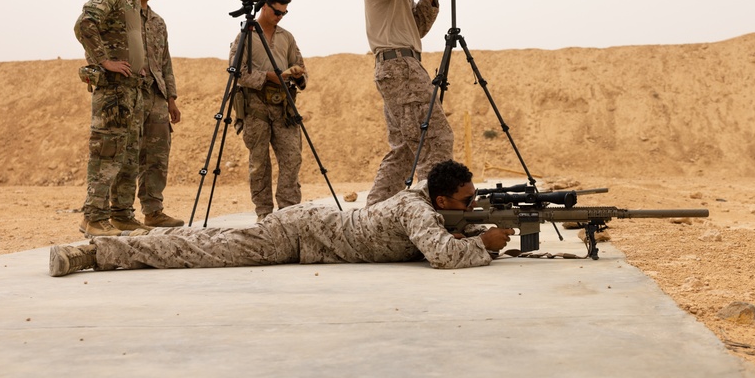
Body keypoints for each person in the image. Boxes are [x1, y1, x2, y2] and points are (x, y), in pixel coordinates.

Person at [49, 160, 515, 276]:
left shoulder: (430, 206)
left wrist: (480, 226)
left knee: (206, 239)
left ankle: (111, 248)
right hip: (298, 235)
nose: (471, 207)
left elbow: (450, 229)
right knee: (200, 250)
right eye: (466, 201)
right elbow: (444, 256)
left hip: (312, 230)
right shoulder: (417, 208)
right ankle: (91, 252)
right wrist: (485, 245)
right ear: (440, 199)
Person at [363, 0, 455, 206]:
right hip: (399, 67)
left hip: (403, 65)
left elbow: (416, 29)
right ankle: (430, 212)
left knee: (404, 150)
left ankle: (374, 214)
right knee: (435, 141)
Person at [74, 0, 150, 237]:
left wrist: (137, 64)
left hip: (132, 89)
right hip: (113, 92)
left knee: (129, 155)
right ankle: (93, 218)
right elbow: (84, 24)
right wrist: (104, 60)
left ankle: (121, 216)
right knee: (107, 155)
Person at [229, 0, 308, 221]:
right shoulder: (245, 36)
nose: (280, 16)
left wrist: (297, 75)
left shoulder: (286, 37)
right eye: (276, 11)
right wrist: (267, 77)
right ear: (264, 7)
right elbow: (236, 72)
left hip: (283, 106)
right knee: (259, 164)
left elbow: (301, 66)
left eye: (284, 13)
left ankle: (288, 211)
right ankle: (264, 213)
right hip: (255, 107)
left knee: (292, 158)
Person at [127, 0, 185, 228]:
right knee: (128, 155)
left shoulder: (158, 22)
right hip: (131, 94)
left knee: (158, 156)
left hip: (157, 95)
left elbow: (165, 62)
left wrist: (171, 99)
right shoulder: (123, 17)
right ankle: (122, 213)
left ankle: (153, 211)